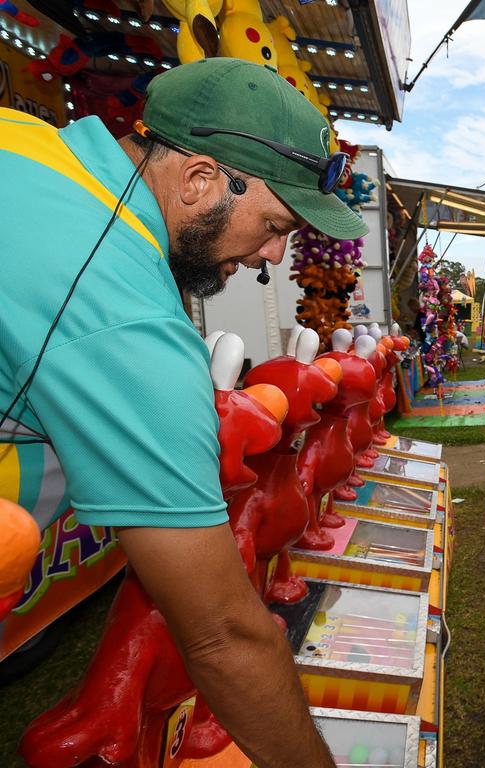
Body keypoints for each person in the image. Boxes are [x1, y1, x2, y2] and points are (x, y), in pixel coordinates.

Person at [0, 58, 368, 768]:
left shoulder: (24, 139)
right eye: (273, 224)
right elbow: (223, 635)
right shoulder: (127, 317)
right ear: (200, 180)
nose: (271, 256)